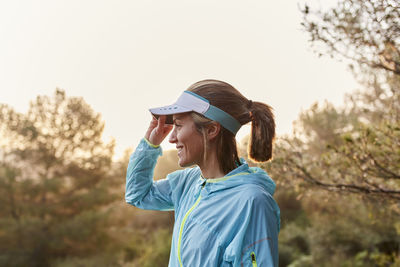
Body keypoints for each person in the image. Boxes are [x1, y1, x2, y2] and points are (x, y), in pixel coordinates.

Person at [125, 79, 280, 266]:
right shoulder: (188, 182)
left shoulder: (252, 201)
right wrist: (150, 145)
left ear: (212, 130)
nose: (171, 138)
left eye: (179, 126)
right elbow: (137, 195)